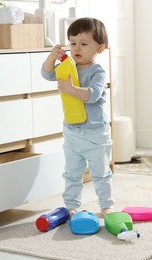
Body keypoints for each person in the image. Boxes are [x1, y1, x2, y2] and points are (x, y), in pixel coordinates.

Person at [41, 17, 114, 217]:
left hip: (96, 134)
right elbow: (47, 74)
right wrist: (51, 57)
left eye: (83, 44)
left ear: (99, 48)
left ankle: (106, 205)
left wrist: (70, 89)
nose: (76, 48)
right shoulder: (67, 67)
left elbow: (93, 95)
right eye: (72, 43)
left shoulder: (97, 71)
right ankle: (71, 205)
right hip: (73, 132)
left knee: (100, 173)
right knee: (72, 173)